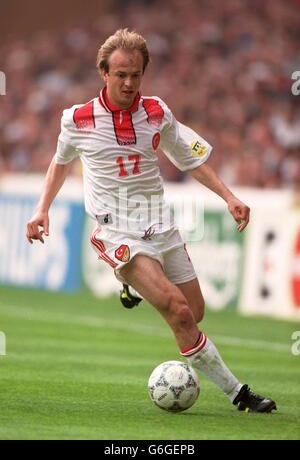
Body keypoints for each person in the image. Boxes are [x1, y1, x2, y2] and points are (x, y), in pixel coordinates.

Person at [26, 28, 276, 413]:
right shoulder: (77, 119)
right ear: (104, 74)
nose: (129, 82)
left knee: (194, 312)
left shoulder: (158, 112)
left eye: (136, 74)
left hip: (160, 224)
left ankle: (131, 286)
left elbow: (190, 159)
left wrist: (229, 197)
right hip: (116, 231)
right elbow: (59, 164)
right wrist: (42, 209)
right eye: (121, 74)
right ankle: (238, 394)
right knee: (177, 312)